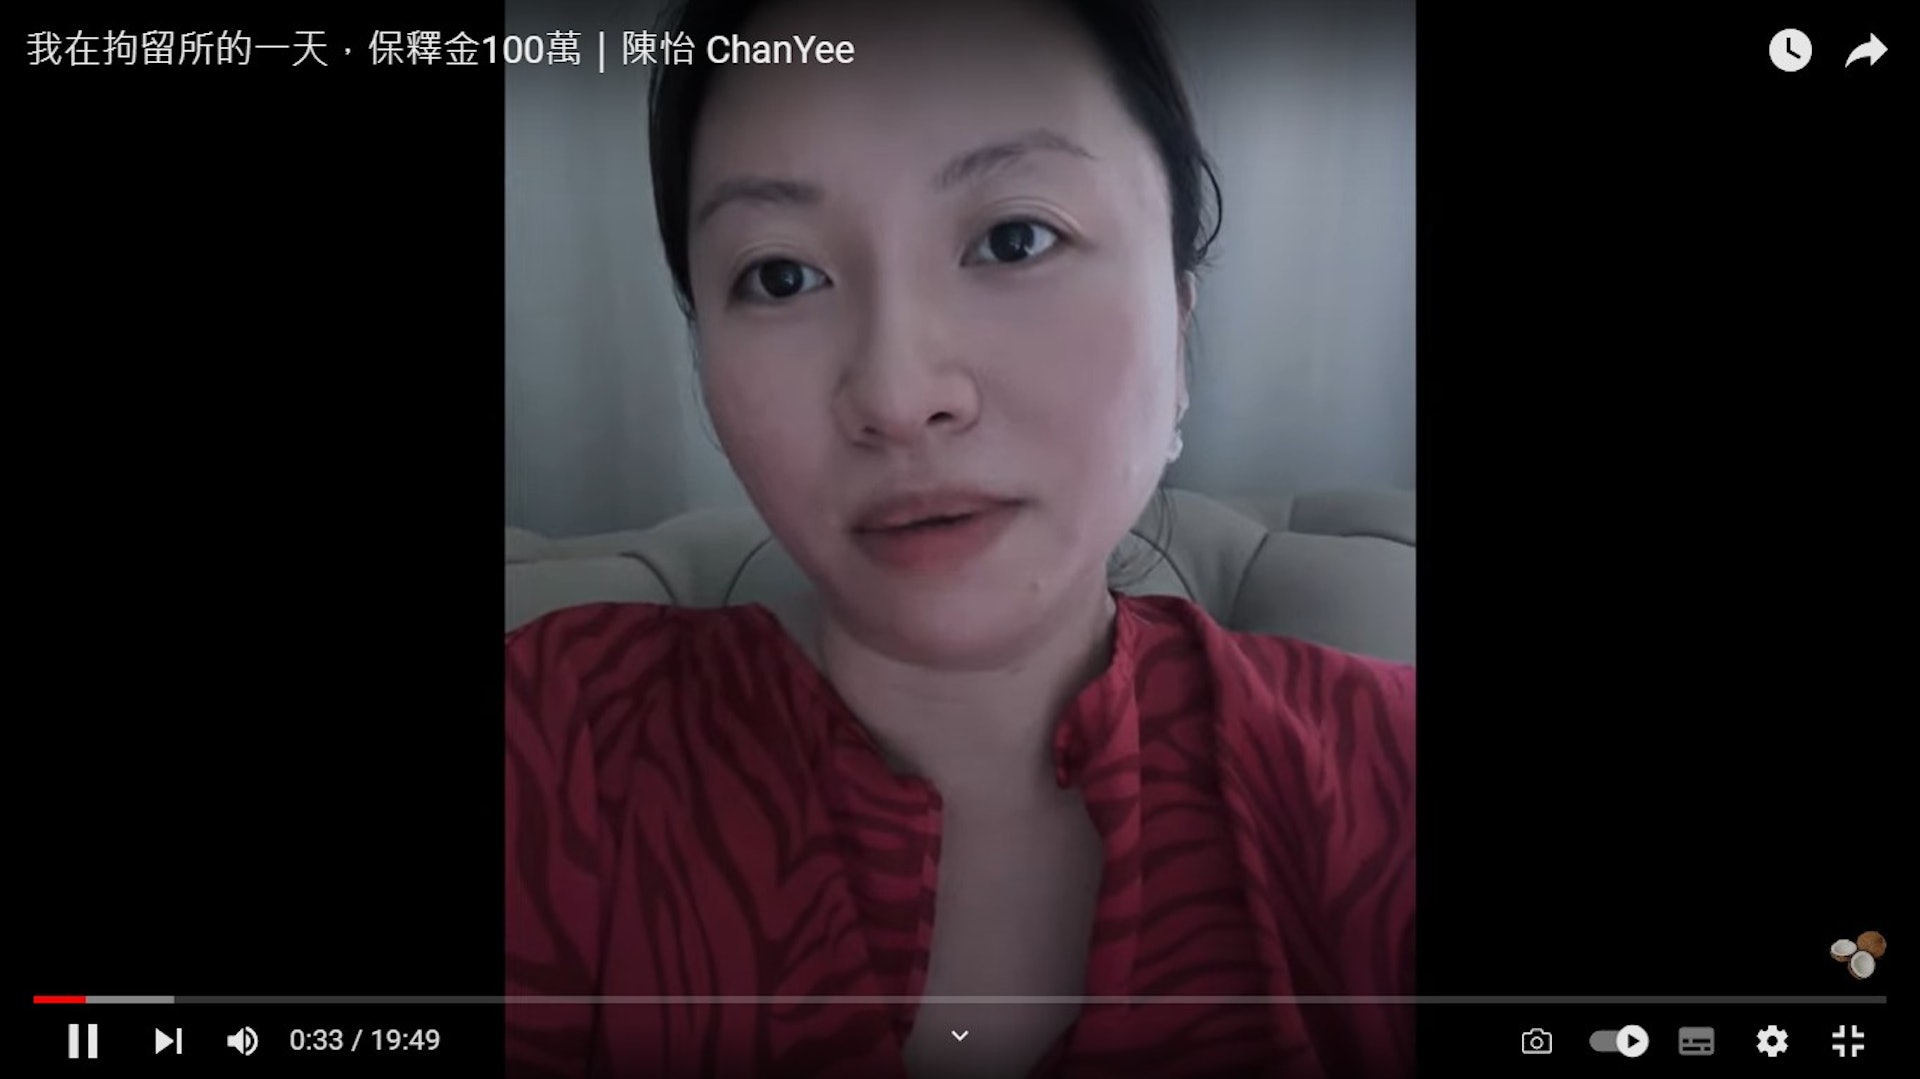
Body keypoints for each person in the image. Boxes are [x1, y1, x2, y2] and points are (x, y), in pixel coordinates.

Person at [505, 0, 1415, 1075]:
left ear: (1179, 325)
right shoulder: (552, 740)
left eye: (1015, 238)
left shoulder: (1386, 771)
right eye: (780, 274)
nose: (897, 397)